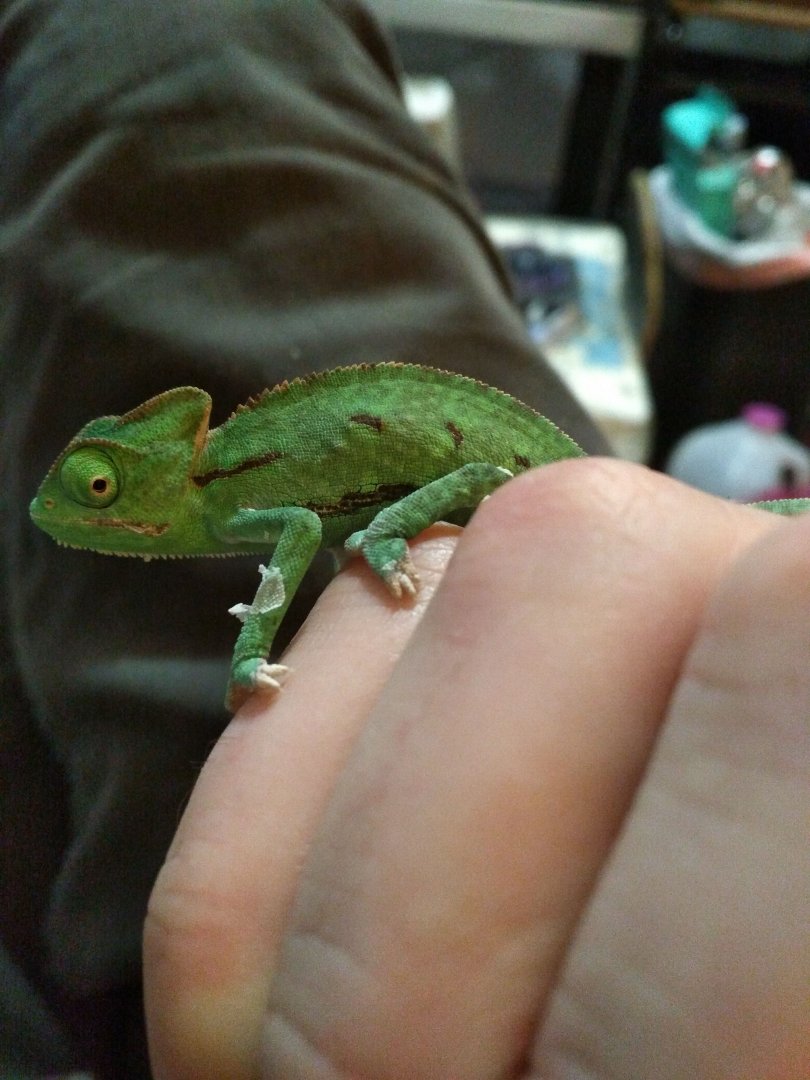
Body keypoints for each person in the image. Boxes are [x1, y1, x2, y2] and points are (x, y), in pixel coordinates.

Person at [0, 1, 806, 1077]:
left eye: (100, 487)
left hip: (489, 471)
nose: (84, 509)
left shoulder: (218, 495)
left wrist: (255, 645)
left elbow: (293, 525)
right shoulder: (205, 483)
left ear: (139, 484)